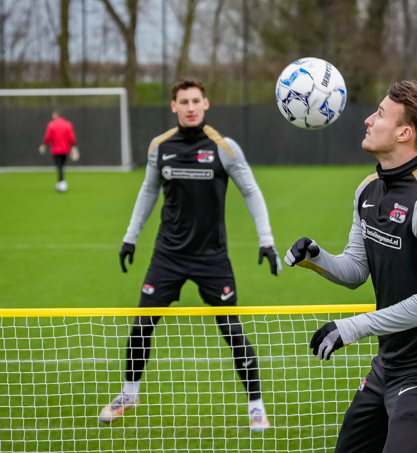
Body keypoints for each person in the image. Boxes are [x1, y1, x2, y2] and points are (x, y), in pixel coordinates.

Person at [284, 80, 417, 452]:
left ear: (404, 132)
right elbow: (356, 270)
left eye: (380, 114)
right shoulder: (368, 188)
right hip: (390, 360)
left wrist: (351, 327)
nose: (368, 120)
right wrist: (316, 257)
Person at [98, 76, 282, 431]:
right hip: (167, 255)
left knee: (232, 330)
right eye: (184, 102)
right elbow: (148, 192)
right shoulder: (160, 146)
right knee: (141, 326)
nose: (191, 107)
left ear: (206, 103)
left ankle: (256, 406)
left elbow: (251, 192)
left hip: (212, 257)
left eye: (196, 100)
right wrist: (130, 238)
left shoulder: (224, 147)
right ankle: (128, 395)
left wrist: (267, 240)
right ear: (174, 106)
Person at [39, 109, 79, 192]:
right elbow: (71, 137)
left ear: (56, 115)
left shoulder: (51, 124)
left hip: (56, 150)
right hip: (65, 149)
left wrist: (44, 145)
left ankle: (62, 184)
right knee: (61, 166)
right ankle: (61, 183)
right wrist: (74, 147)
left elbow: (48, 137)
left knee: (59, 167)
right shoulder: (68, 124)